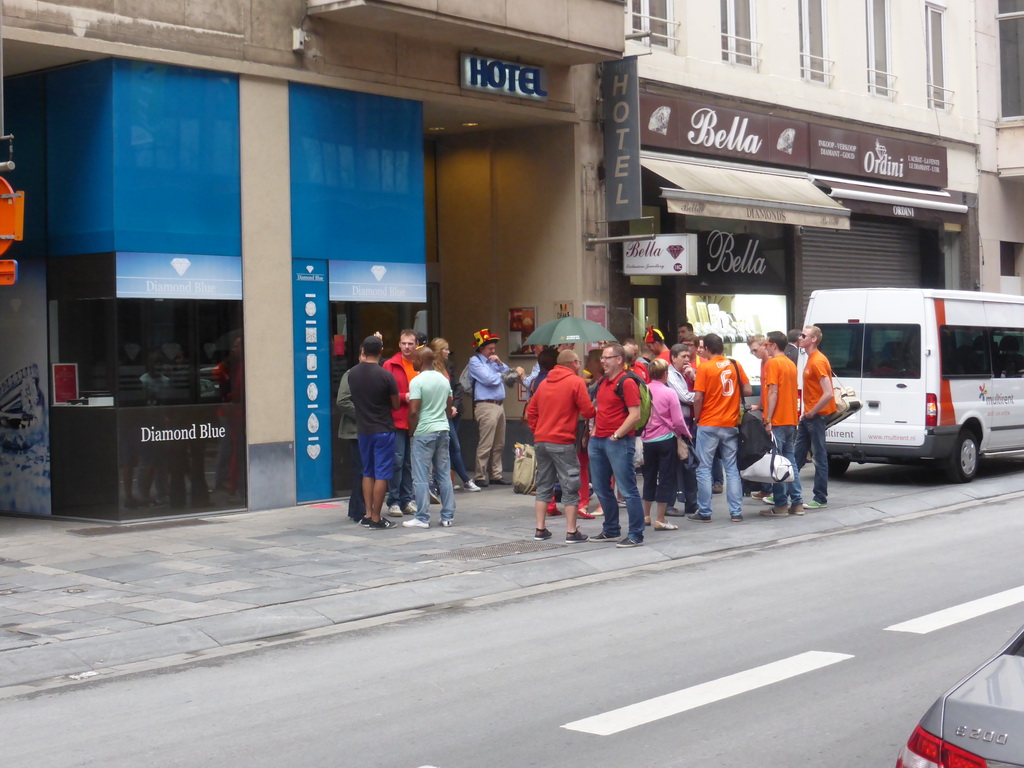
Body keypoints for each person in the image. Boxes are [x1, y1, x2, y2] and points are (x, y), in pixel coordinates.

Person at [525, 349, 596, 543]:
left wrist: (537, 430)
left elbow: (531, 411)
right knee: (570, 486)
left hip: (541, 441)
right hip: (562, 441)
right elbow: (588, 411)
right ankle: (571, 532)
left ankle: (540, 529)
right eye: (578, 362)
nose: (580, 365)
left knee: (543, 486)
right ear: (572, 363)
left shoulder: (544, 383)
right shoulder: (576, 382)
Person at [588, 343, 647, 547]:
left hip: (618, 441)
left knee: (627, 488)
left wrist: (616, 435)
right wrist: (595, 434)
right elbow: (600, 410)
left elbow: (635, 414)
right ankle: (611, 529)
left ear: (619, 360)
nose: (602, 361)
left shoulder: (627, 382)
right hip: (599, 440)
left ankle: (636, 534)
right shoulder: (604, 381)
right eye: (602, 358)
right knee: (601, 487)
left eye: (607, 357)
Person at [688, 333, 752, 523]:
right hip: (730, 423)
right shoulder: (734, 364)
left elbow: (698, 397)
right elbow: (748, 390)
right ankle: (736, 512)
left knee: (704, 468)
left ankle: (705, 512)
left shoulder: (704, 367)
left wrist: (697, 417)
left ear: (706, 348)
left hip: (708, 423)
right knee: (731, 468)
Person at [348, 335, 400, 529]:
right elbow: (395, 404)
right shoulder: (385, 375)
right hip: (383, 429)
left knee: (367, 472)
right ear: (381, 350)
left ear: (363, 350)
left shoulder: (352, 373)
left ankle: (368, 513)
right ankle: (377, 518)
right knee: (382, 474)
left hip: (363, 429)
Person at [405, 347, 456, 528]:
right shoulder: (443, 379)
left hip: (424, 432)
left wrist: (412, 431)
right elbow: (449, 404)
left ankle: (422, 517)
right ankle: (447, 516)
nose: (413, 362)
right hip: (443, 429)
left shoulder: (417, 381)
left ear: (420, 359)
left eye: (414, 359)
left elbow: (413, 410)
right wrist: (445, 415)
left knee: (420, 477)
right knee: (443, 474)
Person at [468, 328, 523, 486]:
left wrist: (500, 364)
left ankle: (495, 474)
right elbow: (489, 379)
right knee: (486, 443)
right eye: (490, 348)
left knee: (499, 443)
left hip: (499, 405)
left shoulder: (494, 362)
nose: (493, 351)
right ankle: (480, 475)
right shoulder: (475, 362)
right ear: (481, 348)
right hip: (486, 405)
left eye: (493, 348)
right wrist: (504, 375)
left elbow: (509, 375)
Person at [640, 358, 689, 531]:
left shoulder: (643, 390)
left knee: (649, 476)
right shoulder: (670, 393)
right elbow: (678, 420)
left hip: (648, 440)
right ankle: (660, 518)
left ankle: (646, 515)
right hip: (666, 439)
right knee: (666, 477)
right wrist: (687, 434)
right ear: (666, 374)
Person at [429, 338, 480, 493]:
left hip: (452, 412)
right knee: (449, 446)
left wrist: (454, 406)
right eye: (445, 349)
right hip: (438, 412)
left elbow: (457, 388)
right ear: (438, 351)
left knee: (450, 446)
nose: (448, 352)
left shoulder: (448, 366)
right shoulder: (430, 369)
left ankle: (448, 479)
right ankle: (464, 479)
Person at [759, 330, 802, 517]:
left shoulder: (773, 363)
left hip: (777, 419)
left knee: (777, 463)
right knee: (790, 461)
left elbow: (773, 392)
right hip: (790, 418)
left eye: (767, 345)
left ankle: (781, 505)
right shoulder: (791, 364)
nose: (765, 347)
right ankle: (797, 502)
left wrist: (767, 418)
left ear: (774, 346)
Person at [794, 325, 836, 510]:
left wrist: (812, 412)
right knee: (796, 454)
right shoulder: (812, 359)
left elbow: (828, 393)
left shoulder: (817, 361)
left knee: (819, 456)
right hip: (809, 416)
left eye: (804, 335)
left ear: (813, 340)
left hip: (815, 416)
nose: (800, 337)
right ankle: (784, 492)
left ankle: (820, 498)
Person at [383, 329, 419, 518]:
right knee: (397, 461)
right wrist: (406, 396)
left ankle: (408, 499)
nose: (407, 347)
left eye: (410, 344)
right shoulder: (390, 364)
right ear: (399, 344)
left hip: (416, 420)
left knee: (409, 463)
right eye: (404, 343)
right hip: (396, 420)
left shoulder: (420, 364)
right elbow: (384, 394)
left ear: (416, 345)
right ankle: (394, 500)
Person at [666, 342, 697, 517]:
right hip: (676, 425)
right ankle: (670, 503)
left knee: (687, 464)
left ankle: (691, 503)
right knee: (677, 464)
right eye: (683, 357)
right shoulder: (671, 375)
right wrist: (702, 394)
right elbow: (685, 397)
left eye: (688, 356)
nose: (687, 360)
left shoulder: (683, 374)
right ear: (673, 358)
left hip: (686, 422)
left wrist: (693, 378)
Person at [336, 368, 365, 523]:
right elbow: (342, 401)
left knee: (363, 471)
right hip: (355, 430)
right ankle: (359, 510)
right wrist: (362, 414)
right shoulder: (350, 374)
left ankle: (355, 509)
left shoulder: (377, 372)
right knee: (361, 471)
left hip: (368, 429)